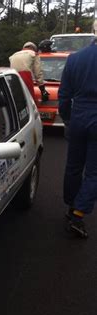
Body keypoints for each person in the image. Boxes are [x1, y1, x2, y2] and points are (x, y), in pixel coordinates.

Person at [58, 31, 97, 238]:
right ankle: (78, 214)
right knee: (94, 173)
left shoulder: (75, 58)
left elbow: (64, 95)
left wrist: (67, 119)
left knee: (73, 167)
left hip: (79, 117)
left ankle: (71, 204)